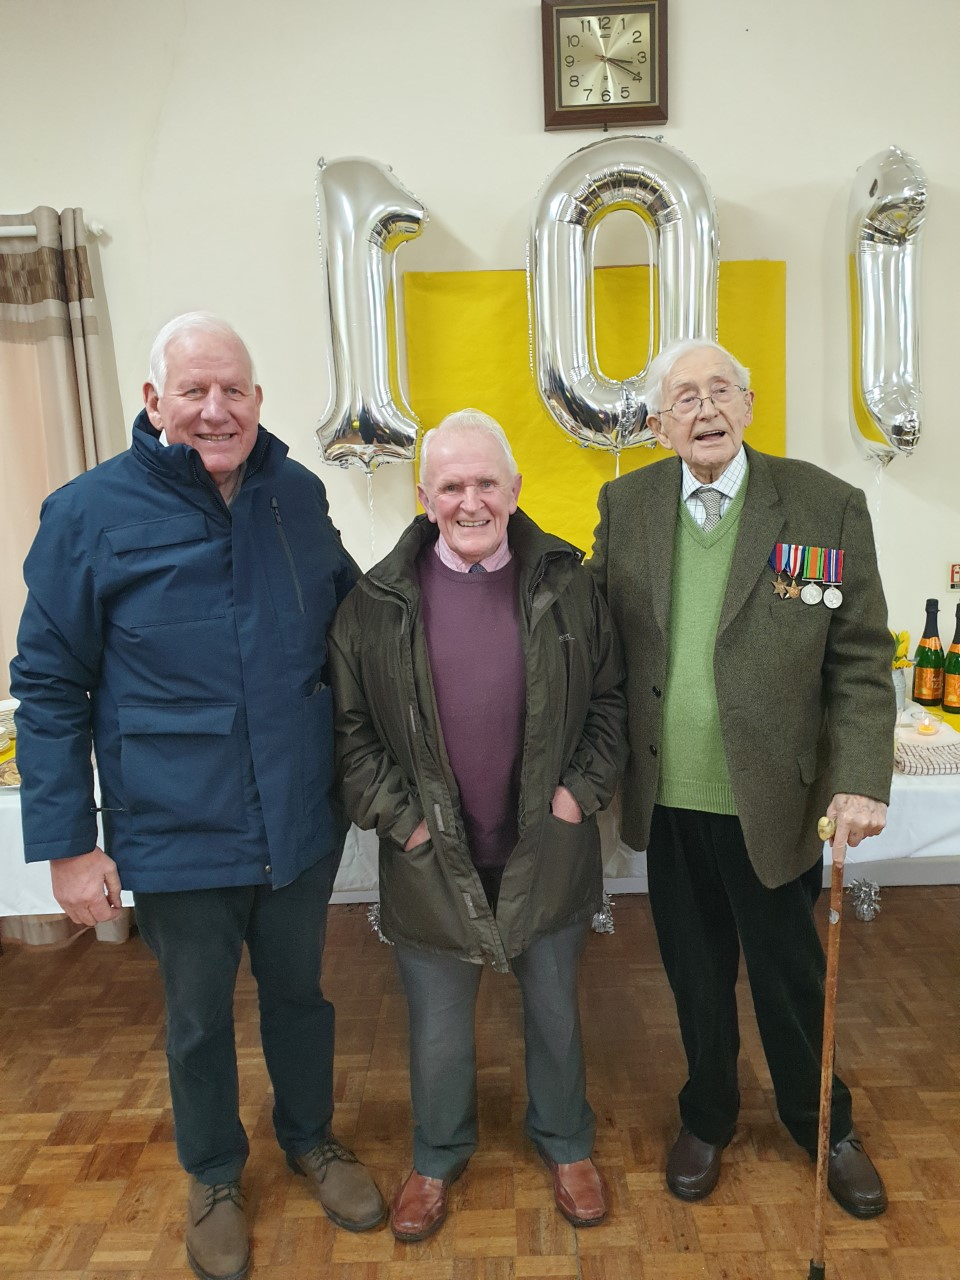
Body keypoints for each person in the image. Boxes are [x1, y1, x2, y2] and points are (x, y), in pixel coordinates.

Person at [10, 313, 385, 1280]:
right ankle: (215, 1173)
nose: (216, 410)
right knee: (198, 1018)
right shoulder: (86, 514)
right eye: (194, 391)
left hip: (295, 820)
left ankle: (310, 1138)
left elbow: (355, 620)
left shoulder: (295, 495)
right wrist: (69, 844)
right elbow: (48, 685)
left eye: (233, 391)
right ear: (153, 401)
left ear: (258, 400)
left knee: (300, 998)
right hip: (175, 829)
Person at [589, 338, 896, 1219]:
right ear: (659, 426)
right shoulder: (627, 504)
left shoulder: (823, 505)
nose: (706, 409)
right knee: (694, 976)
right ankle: (708, 1113)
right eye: (684, 398)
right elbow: (591, 629)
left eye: (721, 389)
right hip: (669, 800)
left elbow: (861, 659)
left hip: (776, 802)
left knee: (789, 979)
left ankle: (822, 1124)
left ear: (749, 405)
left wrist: (862, 775)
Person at [328, 409, 626, 1242]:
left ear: (515, 490)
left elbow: (609, 704)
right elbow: (351, 737)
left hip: (547, 848)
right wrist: (408, 827)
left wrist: (575, 798)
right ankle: (436, 1155)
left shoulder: (570, 585)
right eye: (452, 486)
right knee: (437, 1028)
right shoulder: (373, 603)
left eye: (486, 483)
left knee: (556, 1011)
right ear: (425, 499)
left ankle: (566, 1143)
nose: (470, 501)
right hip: (429, 859)